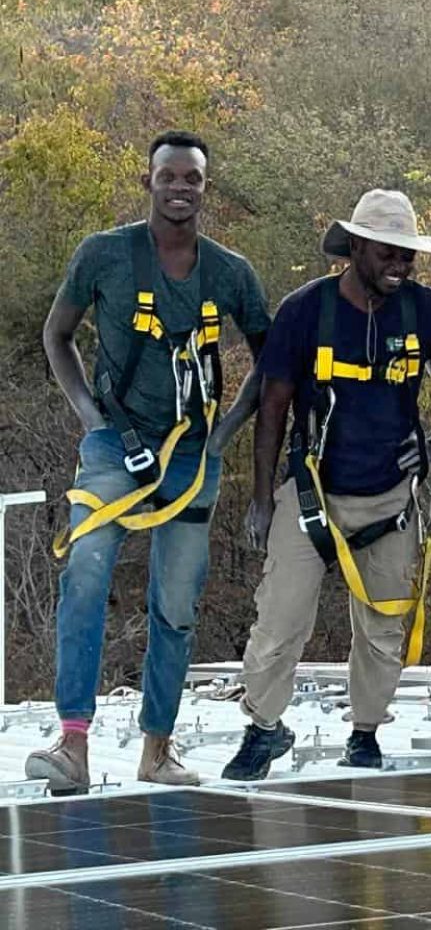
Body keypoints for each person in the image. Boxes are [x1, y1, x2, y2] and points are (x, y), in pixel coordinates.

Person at [221, 189, 431, 780]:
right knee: (277, 624)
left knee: (382, 628)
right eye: (387, 254)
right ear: (354, 250)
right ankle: (263, 729)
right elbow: (272, 409)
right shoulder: (305, 310)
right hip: (314, 492)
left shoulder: (422, 309)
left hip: (390, 497)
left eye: (407, 256)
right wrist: (261, 499)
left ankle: (366, 732)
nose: (400, 266)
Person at [27, 131, 271, 793]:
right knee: (84, 572)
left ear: (204, 188)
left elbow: (271, 356)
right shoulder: (104, 255)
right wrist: (88, 412)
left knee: (177, 601)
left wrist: (224, 434)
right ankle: (72, 742)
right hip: (115, 444)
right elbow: (57, 333)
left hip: (192, 452)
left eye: (192, 178)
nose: (180, 187)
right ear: (149, 181)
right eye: (169, 176)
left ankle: (157, 748)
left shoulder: (229, 271)